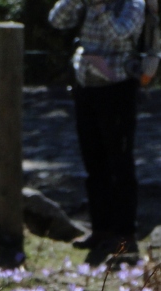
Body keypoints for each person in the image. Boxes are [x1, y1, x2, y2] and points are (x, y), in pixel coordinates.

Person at [49, 0, 145, 266]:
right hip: (86, 88)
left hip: (118, 89)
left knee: (120, 164)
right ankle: (100, 229)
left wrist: (100, 9)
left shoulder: (133, 4)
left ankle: (125, 235)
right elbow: (56, 20)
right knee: (94, 162)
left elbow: (119, 35)